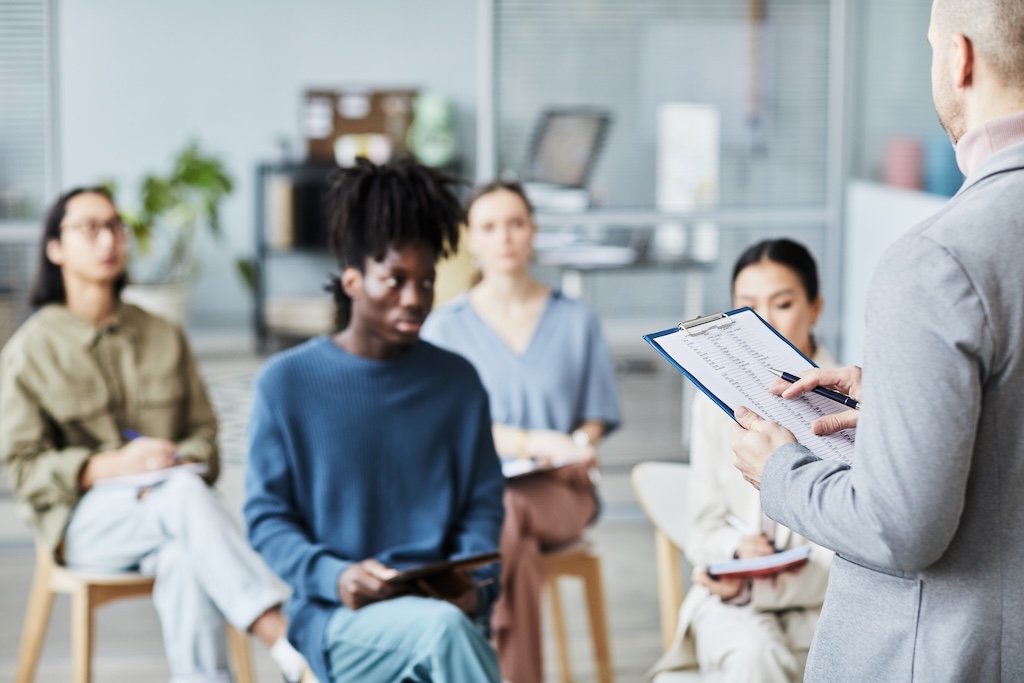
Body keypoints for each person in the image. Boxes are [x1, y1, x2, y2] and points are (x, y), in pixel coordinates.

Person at [730, 1, 1024, 679]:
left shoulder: (938, 261)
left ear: (960, 58)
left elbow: (901, 530)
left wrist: (779, 471)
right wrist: (901, 398)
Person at [0, 187, 307, 683]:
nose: (109, 240)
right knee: (183, 498)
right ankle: (287, 641)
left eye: (116, 227)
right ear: (54, 248)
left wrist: (168, 459)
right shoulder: (29, 350)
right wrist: (109, 467)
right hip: (84, 524)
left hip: (172, 512)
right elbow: (22, 467)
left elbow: (205, 436)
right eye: (90, 228)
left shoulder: (164, 333)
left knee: (185, 554)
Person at [243, 158, 506, 683]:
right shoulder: (287, 383)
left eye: (427, 281)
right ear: (353, 281)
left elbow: (482, 507)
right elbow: (267, 518)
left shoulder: (457, 383)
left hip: (443, 608)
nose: (414, 299)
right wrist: (334, 576)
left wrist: (475, 582)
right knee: (444, 635)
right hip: (337, 617)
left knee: (446, 630)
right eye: (395, 280)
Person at [421, 180, 621, 683]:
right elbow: (443, 428)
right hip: (474, 493)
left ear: (533, 232)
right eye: (489, 226)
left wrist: (578, 446)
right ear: (470, 239)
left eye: (516, 223)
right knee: (514, 541)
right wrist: (532, 442)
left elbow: (595, 414)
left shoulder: (576, 319)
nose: (505, 237)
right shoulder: (443, 329)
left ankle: (479, 638)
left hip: (561, 489)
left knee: (505, 512)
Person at [648, 239, 833, 682]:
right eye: (746, 308)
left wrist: (755, 587)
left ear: (815, 308)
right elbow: (704, 527)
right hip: (733, 604)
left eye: (783, 303)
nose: (763, 323)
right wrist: (733, 554)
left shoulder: (845, 404)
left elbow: (849, 547)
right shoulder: (713, 403)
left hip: (821, 603)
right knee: (753, 655)